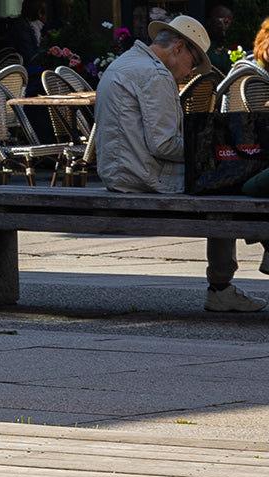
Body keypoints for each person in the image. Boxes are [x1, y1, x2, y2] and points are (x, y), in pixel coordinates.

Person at [98, 15, 267, 312]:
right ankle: (221, 286)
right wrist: (218, 150)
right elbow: (164, 145)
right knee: (238, 180)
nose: (190, 73)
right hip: (147, 177)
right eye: (194, 62)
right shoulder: (155, 74)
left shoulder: (124, 63)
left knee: (229, 177)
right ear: (178, 47)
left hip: (121, 173)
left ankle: (224, 283)